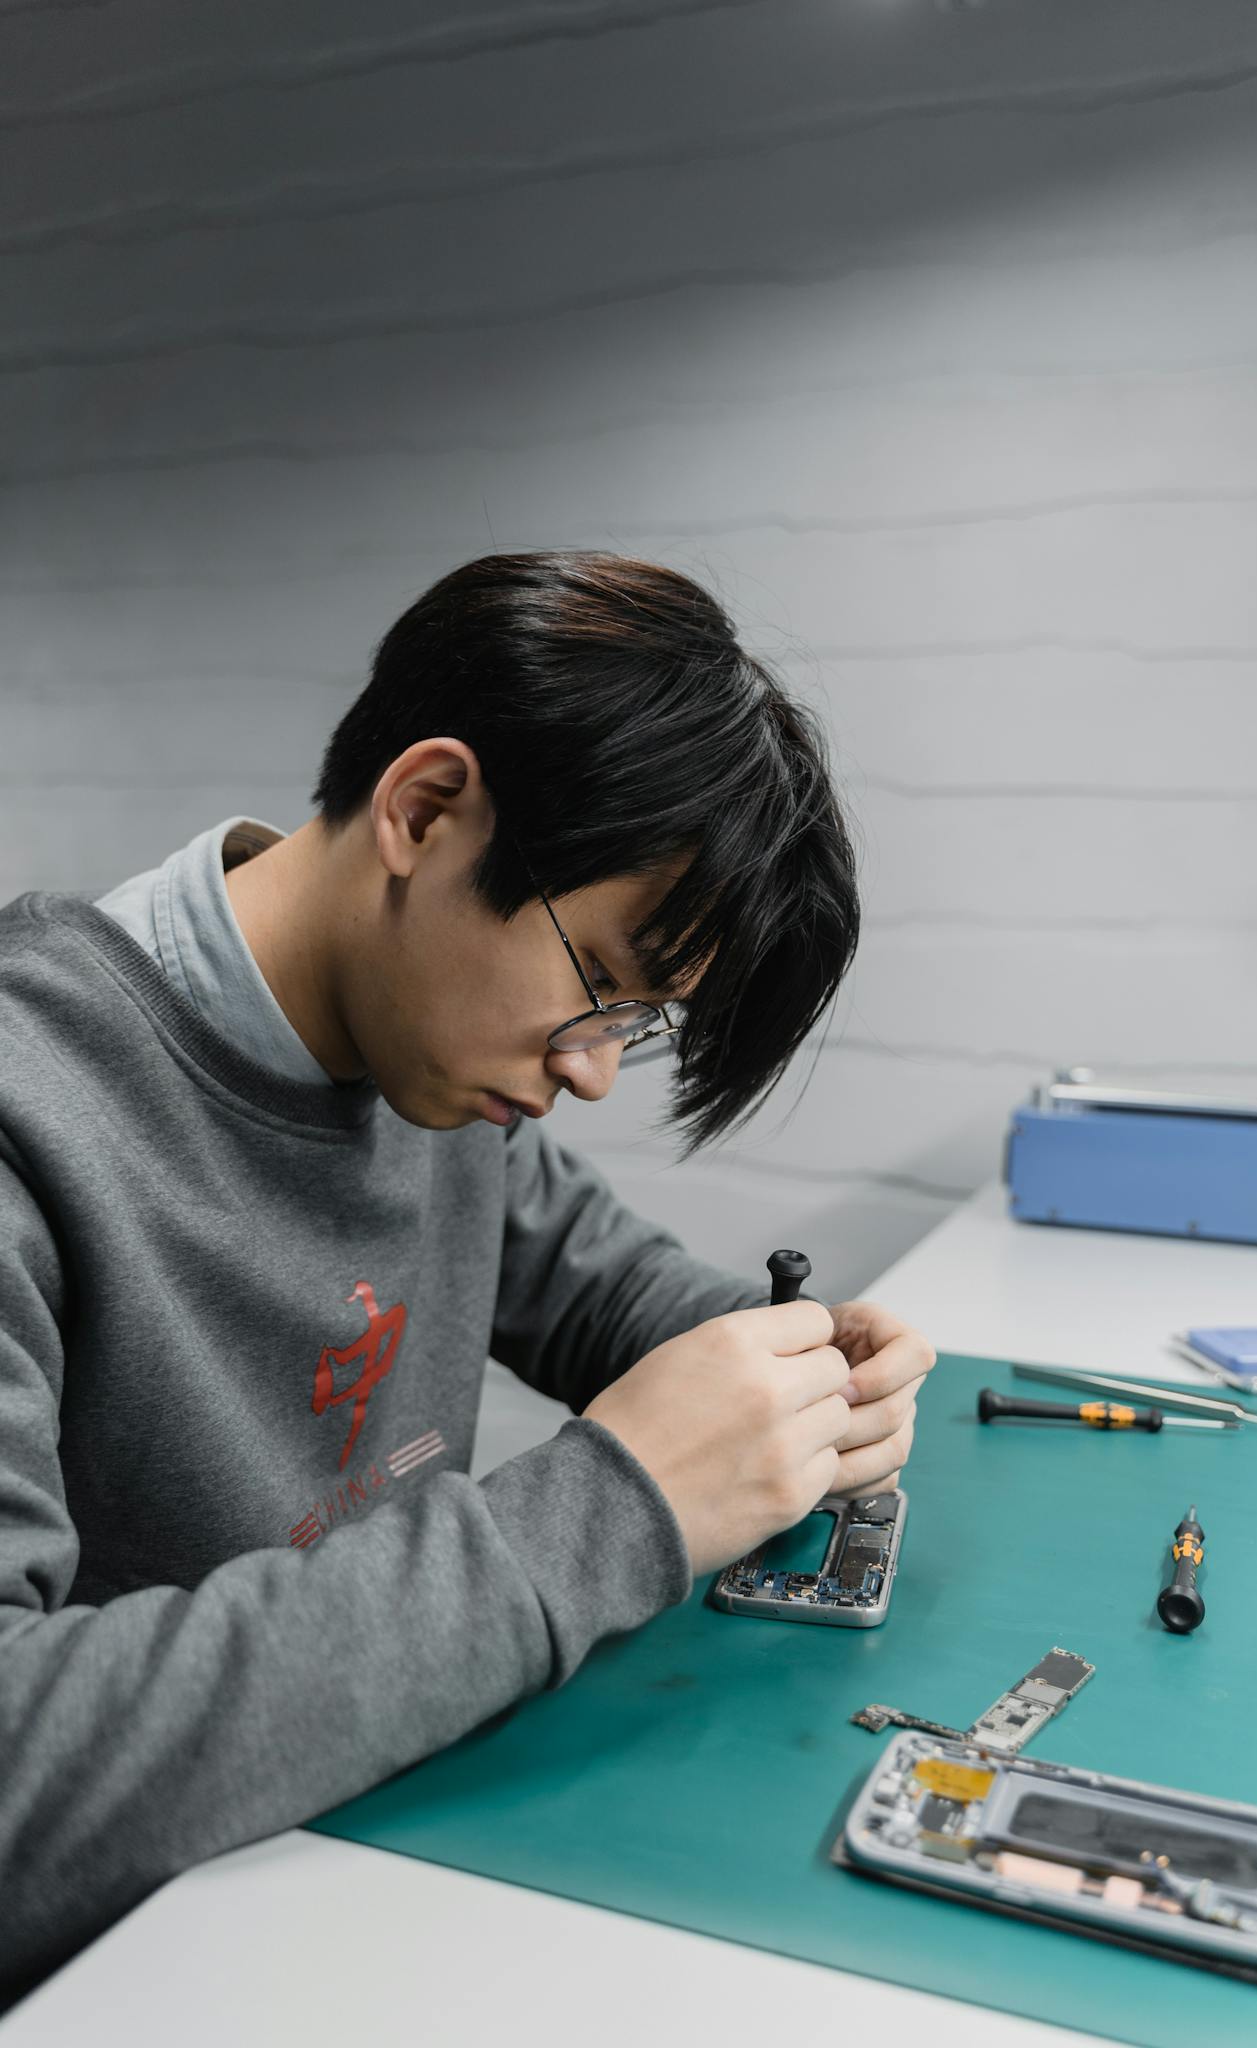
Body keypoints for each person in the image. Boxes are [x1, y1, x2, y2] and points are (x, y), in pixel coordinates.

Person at [0, 550, 934, 2009]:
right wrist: (612, 1509)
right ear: (426, 811)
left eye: (640, 1025)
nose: (592, 1072)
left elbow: (601, 1284)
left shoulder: (421, 1058)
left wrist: (791, 1371)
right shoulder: (34, 1110)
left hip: (368, 1872)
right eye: (600, 985)